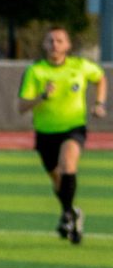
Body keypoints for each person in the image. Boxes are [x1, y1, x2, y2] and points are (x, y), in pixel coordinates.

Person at [17, 27, 106, 244]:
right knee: (58, 180)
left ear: (68, 45)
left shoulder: (80, 66)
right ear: (45, 45)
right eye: (50, 41)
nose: (55, 44)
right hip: (45, 132)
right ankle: (71, 212)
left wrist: (99, 103)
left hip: (73, 128)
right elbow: (22, 106)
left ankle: (68, 216)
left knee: (68, 166)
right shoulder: (36, 71)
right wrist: (42, 96)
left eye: (59, 40)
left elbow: (100, 77)